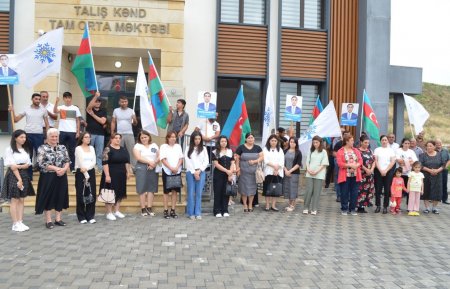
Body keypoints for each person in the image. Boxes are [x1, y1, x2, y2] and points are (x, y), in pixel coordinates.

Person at [35, 128, 70, 229]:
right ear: (48, 137)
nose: (54, 138)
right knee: (48, 196)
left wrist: (64, 169)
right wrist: (56, 168)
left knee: (60, 195)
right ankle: (48, 220)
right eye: (52, 136)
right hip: (48, 176)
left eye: (56, 136)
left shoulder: (62, 147)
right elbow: (41, 163)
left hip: (61, 175)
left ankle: (58, 219)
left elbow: (67, 160)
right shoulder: (42, 148)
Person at [1, 130, 35, 232]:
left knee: (21, 199)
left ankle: (20, 221)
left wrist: (19, 166)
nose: (24, 139)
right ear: (15, 138)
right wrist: (19, 179)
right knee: (15, 200)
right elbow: (12, 166)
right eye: (21, 137)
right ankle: (15, 223)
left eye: (25, 137)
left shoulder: (26, 149)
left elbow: (28, 164)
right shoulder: (9, 149)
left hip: (24, 174)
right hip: (14, 175)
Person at [9, 93, 49, 176]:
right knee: (28, 155)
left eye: (39, 99)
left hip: (39, 134)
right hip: (28, 134)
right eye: (36, 99)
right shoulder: (26, 109)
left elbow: (47, 123)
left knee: (41, 155)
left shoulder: (43, 110)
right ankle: (29, 176)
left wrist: (47, 136)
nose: (38, 101)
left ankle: (43, 175)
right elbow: (16, 119)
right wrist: (12, 111)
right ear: (32, 99)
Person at [100, 133, 131, 221]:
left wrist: (128, 172)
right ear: (111, 139)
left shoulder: (123, 149)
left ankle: (116, 210)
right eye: (116, 138)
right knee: (109, 193)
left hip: (121, 174)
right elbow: (105, 163)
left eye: (119, 138)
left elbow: (126, 161)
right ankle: (109, 212)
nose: (118, 140)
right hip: (111, 174)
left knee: (120, 192)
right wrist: (107, 175)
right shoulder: (107, 149)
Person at [133, 130, 159, 217]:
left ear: (149, 137)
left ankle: (149, 207)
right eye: (142, 137)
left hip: (153, 167)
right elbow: (138, 157)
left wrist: (154, 163)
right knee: (142, 188)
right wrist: (149, 162)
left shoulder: (154, 145)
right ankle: (143, 208)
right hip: (141, 167)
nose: (144, 139)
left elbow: (159, 155)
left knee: (151, 188)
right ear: (140, 139)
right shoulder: (137, 146)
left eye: (145, 137)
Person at [235, 132, 263, 212]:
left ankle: (250, 204)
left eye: (252, 137)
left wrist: (255, 161)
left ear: (254, 139)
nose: (251, 139)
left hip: (254, 172)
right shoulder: (241, 147)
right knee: (243, 188)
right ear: (246, 139)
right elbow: (237, 159)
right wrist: (238, 169)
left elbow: (262, 157)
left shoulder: (258, 147)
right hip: (243, 172)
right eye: (249, 138)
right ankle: (245, 204)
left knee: (252, 189)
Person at [54, 92, 81, 172]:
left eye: (69, 98)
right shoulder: (61, 107)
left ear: (71, 98)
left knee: (72, 150)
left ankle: (72, 167)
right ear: (63, 99)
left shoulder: (75, 108)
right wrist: (56, 102)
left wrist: (78, 132)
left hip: (72, 132)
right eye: (66, 98)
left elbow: (78, 120)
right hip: (62, 131)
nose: (68, 99)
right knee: (61, 149)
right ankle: (62, 166)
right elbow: (54, 111)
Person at [336, 134, 362, 215]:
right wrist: (350, 165)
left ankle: (353, 209)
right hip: (345, 175)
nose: (353, 142)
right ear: (347, 141)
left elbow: (360, 160)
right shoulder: (340, 151)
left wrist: (356, 165)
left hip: (355, 175)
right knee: (344, 192)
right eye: (351, 140)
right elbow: (339, 163)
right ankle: (344, 208)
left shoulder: (356, 150)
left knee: (354, 192)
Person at [185, 131, 209, 220]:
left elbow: (206, 161)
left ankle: (198, 212)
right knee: (191, 193)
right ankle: (190, 213)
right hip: (190, 172)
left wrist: (199, 171)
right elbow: (187, 161)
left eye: (199, 139)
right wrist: (194, 172)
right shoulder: (188, 148)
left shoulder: (204, 149)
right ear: (192, 139)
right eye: (196, 139)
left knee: (198, 193)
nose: (197, 140)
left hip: (201, 172)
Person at [160, 131, 184, 219]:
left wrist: (176, 167)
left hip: (177, 171)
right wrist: (171, 168)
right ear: (167, 138)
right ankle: (166, 210)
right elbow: (163, 159)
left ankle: (173, 210)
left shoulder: (178, 146)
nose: (173, 138)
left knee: (175, 191)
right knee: (166, 191)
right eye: (171, 137)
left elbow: (181, 158)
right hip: (167, 170)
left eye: (174, 137)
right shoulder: (163, 146)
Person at [74, 132, 97, 224]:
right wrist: (85, 174)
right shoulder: (78, 148)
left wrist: (87, 170)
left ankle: (90, 215)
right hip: (81, 172)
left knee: (92, 193)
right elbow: (80, 162)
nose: (88, 139)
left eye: (89, 137)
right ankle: (81, 216)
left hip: (90, 171)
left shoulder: (91, 148)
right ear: (82, 138)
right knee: (81, 193)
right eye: (86, 137)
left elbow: (94, 161)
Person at [303, 136, 329, 215]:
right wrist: (309, 169)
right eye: (314, 142)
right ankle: (306, 207)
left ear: (320, 143)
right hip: (309, 173)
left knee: (317, 192)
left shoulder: (324, 152)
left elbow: (324, 164)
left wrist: (316, 171)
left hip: (319, 174)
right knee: (309, 190)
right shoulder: (311, 151)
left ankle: (314, 208)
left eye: (317, 142)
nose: (315, 144)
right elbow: (307, 161)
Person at [420, 141, 446, 214]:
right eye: (427, 146)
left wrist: (437, 170)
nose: (429, 147)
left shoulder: (440, 154)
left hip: (437, 175)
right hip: (426, 175)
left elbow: (444, 165)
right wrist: (429, 170)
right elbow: (420, 165)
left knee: (437, 191)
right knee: (426, 190)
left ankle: (434, 208)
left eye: (431, 146)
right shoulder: (422, 155)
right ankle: (427, 208)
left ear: (434, 147)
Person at [111, 96, 137, 169]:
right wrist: (112, 133)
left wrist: (134, 119)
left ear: (127, 102)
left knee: (132, 151)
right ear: (119, 102)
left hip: (129, 134)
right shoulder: (116, 110)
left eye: (125, 101)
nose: (124, 103)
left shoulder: (131, 111)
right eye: (122, 101)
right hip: (119, 134)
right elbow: (113, 122)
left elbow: (135, 123)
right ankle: (120, 166)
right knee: (118, 150)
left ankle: (133, 168)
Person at [212, 136, 235, 218]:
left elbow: (232, 163)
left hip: (228, 175)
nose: (224, 143)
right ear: (219, 142)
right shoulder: (215, 152)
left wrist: (230, 173)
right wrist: (227, 171)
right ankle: (217, 210)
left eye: (225, 141)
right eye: (222, 141)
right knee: (218, 192)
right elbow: (216, 164)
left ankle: (225, 210)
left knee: (226, 192)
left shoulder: (230, 151)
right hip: (218, 174)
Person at [373, 135, 396, 214]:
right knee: (378, 189)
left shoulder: (391, 150)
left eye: (385, 140)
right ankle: (378, 205)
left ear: (387, 141)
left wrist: (386, 170)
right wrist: (380, 170)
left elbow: (392, 162)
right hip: (378, 171)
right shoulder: (377, 150)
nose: (384, 141)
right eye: (383, 140)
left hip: (388, 171)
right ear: (380, 141)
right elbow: (375, 161)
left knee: (387, 190)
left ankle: (385, 206)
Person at [262, 134, 285, 212]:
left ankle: (273, 205)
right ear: (269, 141)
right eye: (272, 140)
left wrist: (276, 169)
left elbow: (282, 161)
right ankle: (267, 205)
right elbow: (265, 160)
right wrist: (274, 167)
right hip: (268, 171)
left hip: (278, 172)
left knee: (276, 189)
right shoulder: (265, 149)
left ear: (277, 141)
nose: (273, 142)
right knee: (267, 189)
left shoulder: (280, 150)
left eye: (275, 141)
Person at [86, 92, 107, 174]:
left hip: (100, 134)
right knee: (89, 150)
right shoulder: (89, 110)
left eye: (99, 101)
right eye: (96, 101)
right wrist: (95, 96)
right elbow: (89, 107)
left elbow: (102, 121)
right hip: (90, 133)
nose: (97, 103)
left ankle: (99, 167)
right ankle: (90, 166)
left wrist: (93, 115)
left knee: (99, 151)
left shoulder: (103, 111)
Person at [395, 138, 418, 204]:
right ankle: (397, 205)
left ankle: (409, 205)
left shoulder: (411, 152)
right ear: (402, 143)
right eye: (405, 143)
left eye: (408, 143)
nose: (407, 145)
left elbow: (414, 162)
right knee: (399, 190)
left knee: (409, 190)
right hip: (399, 173)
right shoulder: (398, 150)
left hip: (409, 174)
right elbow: (399, 161)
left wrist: (405, 161)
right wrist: (408, 161)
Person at [357, 135, 375, 213]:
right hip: (362, 174)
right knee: (360, 190)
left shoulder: (370, 151)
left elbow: (374, 161)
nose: (367, 144)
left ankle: (364, 205)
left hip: (369, 174)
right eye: (365, 142)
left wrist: (371, 169)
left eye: (368, 143)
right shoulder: (357, 151)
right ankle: (359, 206)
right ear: (361, 142)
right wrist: (366, 169)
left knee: (368, 190)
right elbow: (359, 162)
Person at [283, 137, 302, 212]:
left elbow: (298, 164)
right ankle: (289, 204)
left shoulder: (298, 152)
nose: (292, 143)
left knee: (293, 188)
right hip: (285, 172)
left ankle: (292, 205)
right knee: (287, 188)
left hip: (294, 173)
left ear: (296, 143)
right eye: (291, 142)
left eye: (294, 142)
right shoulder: (285, 151)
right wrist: (285, 170)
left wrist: (290, 171)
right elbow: (282, 161)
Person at [333, 130, 350, 202]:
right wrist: (342, 157)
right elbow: (334, 153)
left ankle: (347, 196)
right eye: (345, 135)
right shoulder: (338, 144)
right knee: (338, 179)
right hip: (339, 164)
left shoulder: (352, 145)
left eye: (348, 135)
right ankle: (339, 196)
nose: (346, 136)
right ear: (342, 136)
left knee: (348, 180)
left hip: (349, 165)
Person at [435, 139, 450, 204]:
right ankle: (434, 198)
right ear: (435, 144)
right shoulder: (433, 151)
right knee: (435, 184)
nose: (439, 144)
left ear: (441, 143)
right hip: (436, 170)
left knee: (444, 184)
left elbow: (449, 160)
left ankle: (444, 199)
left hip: (444, 170)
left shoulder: (446, 151)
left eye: (440, 143)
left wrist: (446, 166)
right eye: (437, 143)